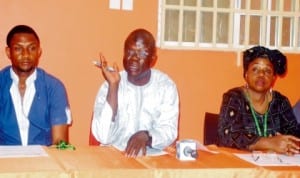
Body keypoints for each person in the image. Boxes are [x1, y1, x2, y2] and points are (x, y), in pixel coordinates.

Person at [91, 28, 179, 157]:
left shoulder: (165, 86)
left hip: (152, 158)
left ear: (153, 59)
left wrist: (147, 136)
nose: (134, 59)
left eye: (142, 54)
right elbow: (102, 136)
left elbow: (169, 131)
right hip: (114, 158)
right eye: (129, 52)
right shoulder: (109, 85)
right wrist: (114, 87)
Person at [217, 45, 300, 155]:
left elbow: (295, 134)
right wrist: (269, 143)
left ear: (273, 78)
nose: (261, 74)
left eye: (268, 71)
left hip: (275, 166)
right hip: (240, 167)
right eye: (255, 69)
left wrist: (288, 144)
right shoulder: (234, 98)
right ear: (246, 74)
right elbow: (227, 136)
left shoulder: (281, 102)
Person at [0, 25, 72, 146]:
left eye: (32, 48)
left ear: (39, 51)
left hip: (43, 161)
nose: (26, 54)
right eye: (18, 49)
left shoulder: (54, 87)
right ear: (8, 52)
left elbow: (60, 143)